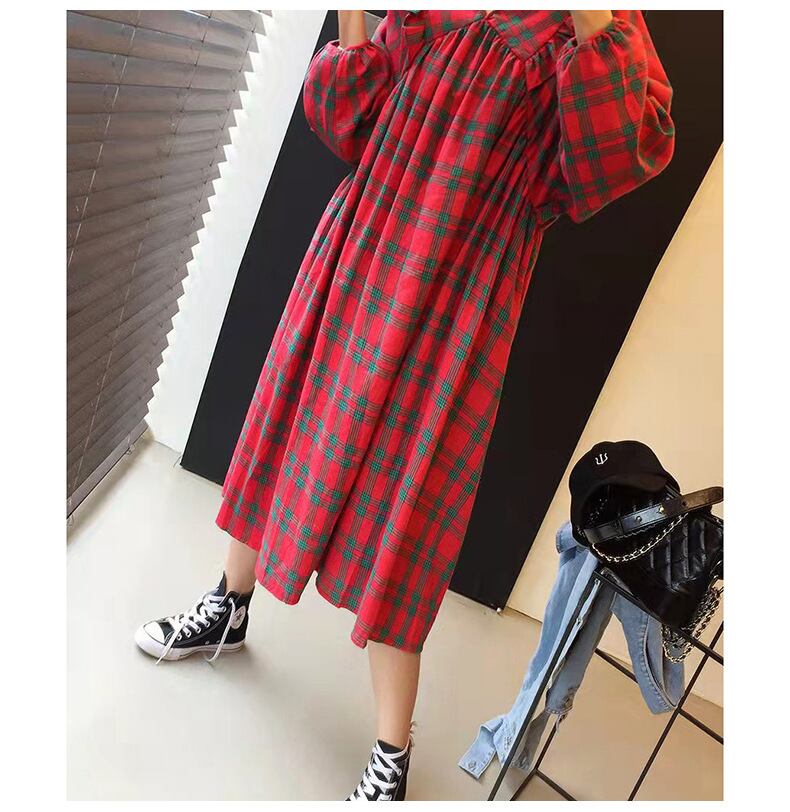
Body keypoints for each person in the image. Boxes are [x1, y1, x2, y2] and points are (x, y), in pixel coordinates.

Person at [135, 9, 674, 801]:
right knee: (288, 429)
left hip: (457, 299)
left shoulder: (588, 29)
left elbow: (617, 154)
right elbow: (346, 120)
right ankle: (230, 605)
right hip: (361, 245)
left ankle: (393, 748)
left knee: (408, 511)